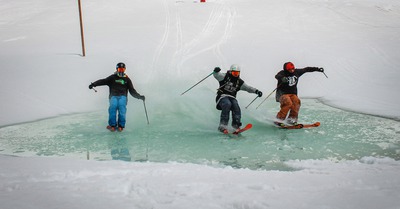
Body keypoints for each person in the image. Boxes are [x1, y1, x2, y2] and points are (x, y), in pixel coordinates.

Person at [89, 62, 145, 132]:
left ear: (124, 70)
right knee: (113, 107)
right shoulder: (112, 77)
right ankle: (112, 125)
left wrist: (139, 97)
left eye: (122, 69)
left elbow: (132, 90)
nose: (121, 71)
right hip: (113, 96)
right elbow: (103, 81)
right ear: (117, 69)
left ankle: (121, 126)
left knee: (122, 110)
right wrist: (94, 84)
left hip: (123, 97)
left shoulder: (127, 79)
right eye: (119, 69)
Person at [213, 64, 263, 133]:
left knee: (236, 106)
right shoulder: (224, 76)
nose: (236, 75)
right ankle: (222, 126)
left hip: (232, 97)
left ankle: (236, 126)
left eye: (237, 73)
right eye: (234, 73)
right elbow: (216, 75)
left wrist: (256, 91)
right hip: (222, 97)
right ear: (231, 72)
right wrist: (216, 71)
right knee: (227, 104)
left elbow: (248, 88)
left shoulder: (239, 82)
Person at [274, 61, 324, 126]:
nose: (292, 71)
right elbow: (277, 76)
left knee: (296, 102)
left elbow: (306, 69)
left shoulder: (296, 72)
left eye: (293, 69)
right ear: (286, 69)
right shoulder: (282, 73)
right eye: (290, 69)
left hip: (292, 93)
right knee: (288, 103)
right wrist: (282, 78)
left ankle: (291, 119)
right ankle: (279, 119)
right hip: (282, 94)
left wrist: (317, 69)